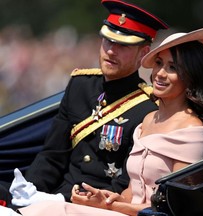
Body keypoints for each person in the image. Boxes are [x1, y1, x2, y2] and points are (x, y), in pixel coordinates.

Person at [8, 25, 203, 216]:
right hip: (119, 208)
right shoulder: (149, 118)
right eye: (159, 64)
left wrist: (110, 205)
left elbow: (175, 207)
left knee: (46, 211)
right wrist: (105, 198)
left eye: (173, 68)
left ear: (192, 76)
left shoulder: (192, 130)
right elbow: (132, 189)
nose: (160, 74)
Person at [0, 0, 168, 209]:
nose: (111, 51)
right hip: (53, 196)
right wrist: (29, 192)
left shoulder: (149, 108)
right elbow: (53, 155)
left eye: (123, 45)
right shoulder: (80, 85)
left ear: (143, 53)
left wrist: (59, 200)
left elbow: (125, 184)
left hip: (91, 205)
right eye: (107, 41)